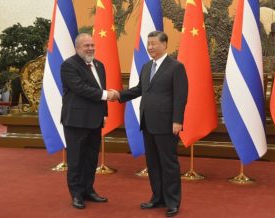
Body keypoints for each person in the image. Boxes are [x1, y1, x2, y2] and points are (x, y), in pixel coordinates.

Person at [113, 31, 188, 217]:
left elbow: (181, 97)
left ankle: (172, 202)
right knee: (153, 163)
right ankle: (157, 197)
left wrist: (177, 120)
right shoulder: (146, 66)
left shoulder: (176, 67)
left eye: (154, 43)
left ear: (164, 45)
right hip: (147, 123)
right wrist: (119, 95)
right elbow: (140, 89)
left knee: (169, 164)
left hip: (167, 124)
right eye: (148, 44)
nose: (150, 47)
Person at [60, 33, 115, 209]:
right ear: (77, 47)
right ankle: (76, 194)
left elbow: (101, 89)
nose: (90, 48)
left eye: (92, 45)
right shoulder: (69, 65)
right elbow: (81, 88)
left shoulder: (99, 65)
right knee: (76, 159)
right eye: (86, 46)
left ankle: (88, 190)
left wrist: (104, 113)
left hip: (95, 120)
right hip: (76, 121)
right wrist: (107, 95)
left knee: (91, 158)